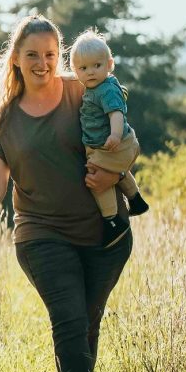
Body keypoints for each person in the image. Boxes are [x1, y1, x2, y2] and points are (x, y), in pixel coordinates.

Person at [0, 15, 132, 372]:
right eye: (32, 54)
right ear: (15, 58)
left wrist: (110, 176)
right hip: (41, 234)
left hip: (104, 233)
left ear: (60, 55)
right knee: (69, 320)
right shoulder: (5, 119)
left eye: (50, 54)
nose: (42, 63)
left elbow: (125, 141)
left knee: (87, 324)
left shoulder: (83, 92)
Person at [69, 30, 149, 248]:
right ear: (75, 71)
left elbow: (116, 113)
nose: (91, 72)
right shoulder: (95, 87)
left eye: (97, 66)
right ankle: (136, 200)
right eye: (83, 68)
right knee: (119, 172)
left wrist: (114, 134)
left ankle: (112, 222)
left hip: (115, 144)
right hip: (113, 146)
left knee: (97, 181)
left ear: (110, 64)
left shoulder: (106, 90)